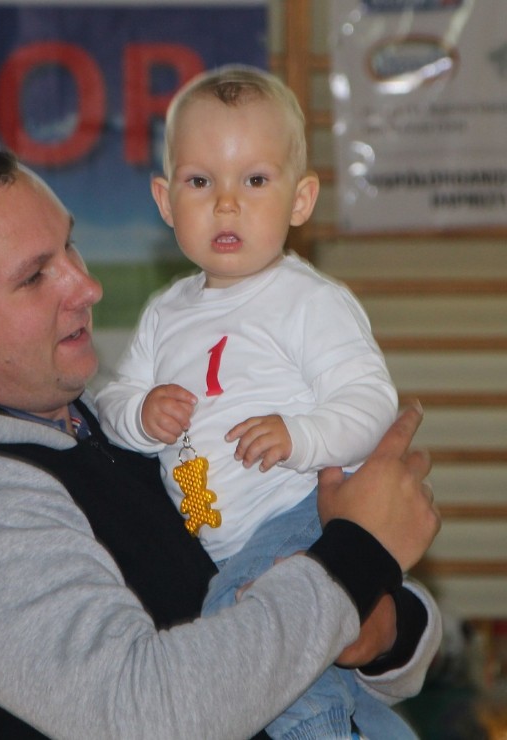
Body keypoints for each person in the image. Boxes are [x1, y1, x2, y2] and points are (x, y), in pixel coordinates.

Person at [0, 143, 441, 740]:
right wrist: (358, 557)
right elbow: (143, 715)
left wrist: (382, 633)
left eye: (69, 245)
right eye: (35, 276)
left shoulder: (108, 426)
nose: (85, 286)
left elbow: (298, 591)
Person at [96, 65, 409, 738]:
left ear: (301, 199)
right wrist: (141, 415)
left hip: (298, 509)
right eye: (200, 182)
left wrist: (301, 436)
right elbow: (111, 405)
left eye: (255, 180)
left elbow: (371, 404)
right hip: (219, 534)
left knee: (241, 620)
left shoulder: (309, 302)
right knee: (307, 666)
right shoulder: (165, 314)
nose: (226, 204)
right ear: (164, 200)